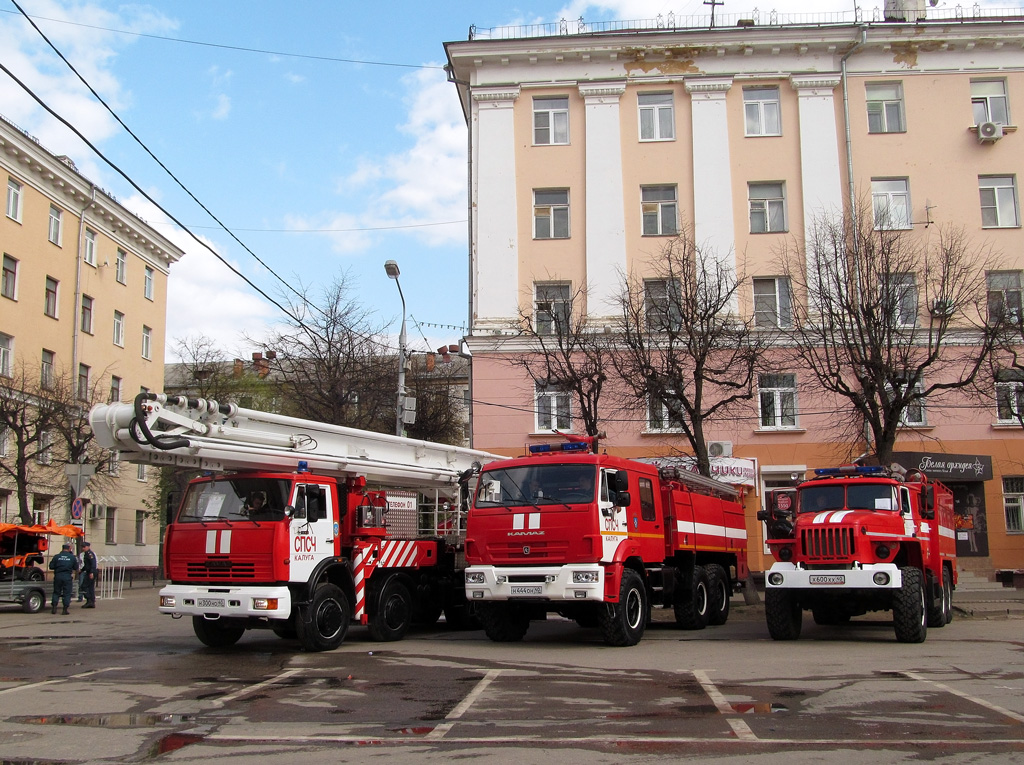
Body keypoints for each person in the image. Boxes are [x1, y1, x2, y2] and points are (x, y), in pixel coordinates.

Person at [48, 543, 79, 615]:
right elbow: (76, 567)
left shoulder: (56, 556)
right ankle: (65, 609)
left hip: (58, 576)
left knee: (56, 592)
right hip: (67, 577)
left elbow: (51, 566)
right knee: (67, 593)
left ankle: (54, 608)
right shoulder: (72, 557)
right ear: (69, 549)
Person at [80, 540, 98, 608]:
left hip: (91, 572)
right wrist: (82, 570)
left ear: (88, 547)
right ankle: (91, 602)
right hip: (89, 571)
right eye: (82, 547)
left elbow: (93, 564)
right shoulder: (86, 554)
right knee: (90, 587)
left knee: (84, 586)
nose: (83, 548)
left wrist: (91, 572)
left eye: (84, 547)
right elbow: (87, 565)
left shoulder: (90, 554)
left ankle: (89, 600)